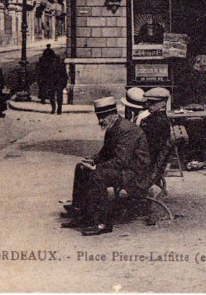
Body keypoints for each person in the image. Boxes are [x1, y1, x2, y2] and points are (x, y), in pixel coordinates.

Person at [60, 97, 152, 236]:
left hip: (134, 173)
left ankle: (102, 223)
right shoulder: (113, 127)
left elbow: (122, 161)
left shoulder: (127, 130)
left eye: (103, 117)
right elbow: (105, 153)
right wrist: (92, 161)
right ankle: (82, 214)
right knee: (81, 168)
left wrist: (97, 168)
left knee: (98, 176)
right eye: (99, 117)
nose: (100, 121)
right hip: (124, 168)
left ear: (114, 114)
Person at [141, 87, 172, 169]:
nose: (148, 105)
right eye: (148, 102)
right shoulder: (155, 118)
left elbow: (151, 147)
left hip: (148, 163)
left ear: (163, 104)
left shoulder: (156, 121)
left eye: (153, 102)